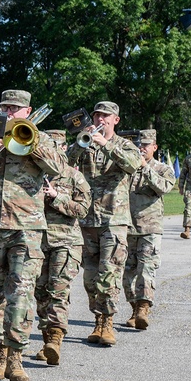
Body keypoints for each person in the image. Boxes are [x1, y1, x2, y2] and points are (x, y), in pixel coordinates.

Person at [0, 89, 66, 381]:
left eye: (14, 109)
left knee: (20, 295)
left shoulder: (41, 139)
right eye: (4, 107)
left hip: (26, 229)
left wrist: (28, 144)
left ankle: (17, 358)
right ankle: (0, 355)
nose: (8, 113)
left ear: (27, 112)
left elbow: (60, 169)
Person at [66, 101, 142, 347]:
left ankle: (107, 322)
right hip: (87, 218)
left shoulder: (125, 145)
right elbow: (64, 163)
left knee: (109, 273)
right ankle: (97, 319)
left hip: (114, 219)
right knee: (90, 277)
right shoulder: (86, 140)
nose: (100, 119)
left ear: (115, 120)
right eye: (97, 114)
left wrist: (105, 145)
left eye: (105, 116)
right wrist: (80, 141)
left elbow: (132, 165)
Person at [31, 130, 90, 365]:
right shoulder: (33, 174)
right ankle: (47, 339)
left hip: (66, 243)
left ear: (64, 149)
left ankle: (55, 339)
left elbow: (83, 210)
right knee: (40, 294)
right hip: (37, 242)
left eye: (57, 147)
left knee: (58, 292)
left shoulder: (75, 177)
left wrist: (56, 197)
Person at [124, 129, 176, 331]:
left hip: (150, 228)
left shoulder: (163, 169)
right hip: (128, 227)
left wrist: (145, 167)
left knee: (146, 270)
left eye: (145, 145)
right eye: (139, 144)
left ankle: (143, 309)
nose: (141, 148)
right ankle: (134, 308)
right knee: (127, 274)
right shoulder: (128, 169)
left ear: (154, 147)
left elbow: (163, 187)